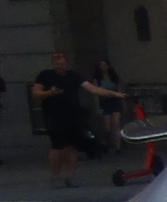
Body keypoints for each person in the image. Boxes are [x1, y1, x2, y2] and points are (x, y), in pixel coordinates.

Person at [31, 50, 121, 187]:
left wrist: (113, 93)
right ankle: (55, 177)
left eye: (62, 63)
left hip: (73, 115)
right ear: (53, 64)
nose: (60, 66)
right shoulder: (45, 76)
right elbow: (36, 94)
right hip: (54, 115)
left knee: (73, 146)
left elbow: (91, 88)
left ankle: (71, 176)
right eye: (57, 63)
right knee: (58, 147)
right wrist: (50, 93)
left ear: (66, 63)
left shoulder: (74, 76)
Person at [90, 59, 125, 154]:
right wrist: (97, 106)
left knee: (117, 124)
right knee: (107, 127)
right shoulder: (97, 79)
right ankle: (105, 142)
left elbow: (119, 90)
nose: (103, 67)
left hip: (115, 102)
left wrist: (122, 102)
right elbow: (96, 93)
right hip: (104, 103)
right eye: (101, 65)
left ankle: (118, 147)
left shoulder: (114, 77)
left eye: (105, 65)